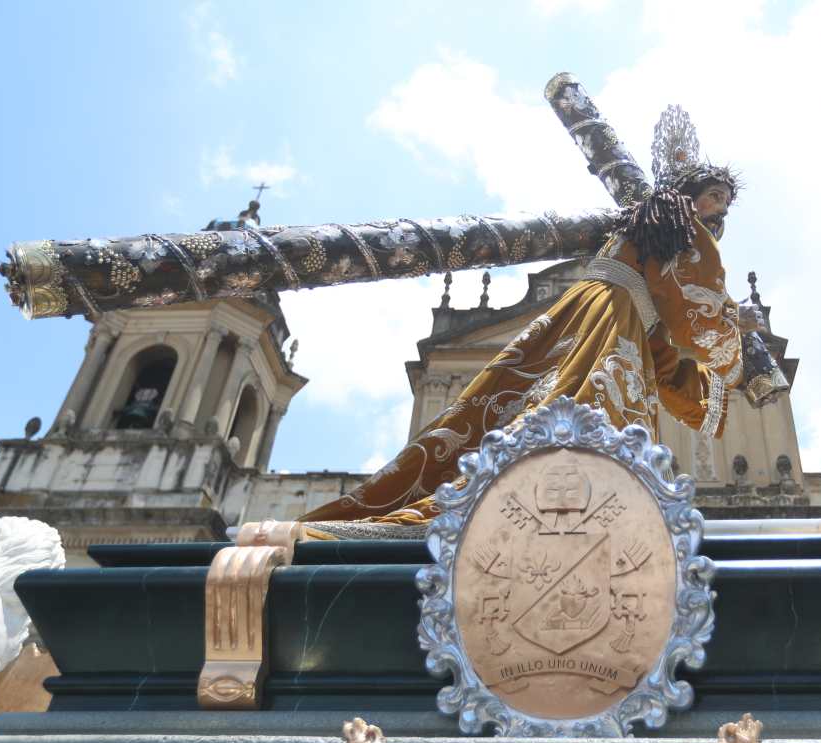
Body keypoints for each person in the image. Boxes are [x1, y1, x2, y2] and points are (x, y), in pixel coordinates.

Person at [302, 122, 767, 535]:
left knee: (526, 399)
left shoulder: (646, 233)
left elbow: (663, 350)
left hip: (586, 314)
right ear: (690, 195)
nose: (720, 212)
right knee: (592, 417)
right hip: (612, 321)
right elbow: (694, 312)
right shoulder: (682, 231)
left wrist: (704, 390)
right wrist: (740, 351)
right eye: (716, 198)